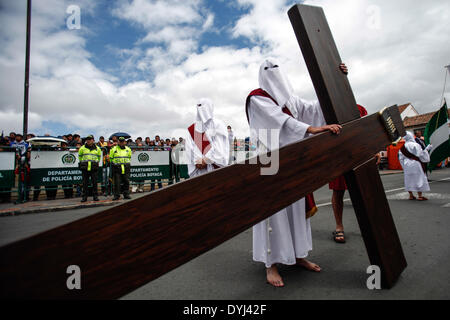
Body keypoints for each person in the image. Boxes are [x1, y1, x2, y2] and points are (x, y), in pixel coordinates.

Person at [246, 59, 345, 287]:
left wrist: (335, 79)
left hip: (293, 161)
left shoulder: (291, 99)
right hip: (269, 162)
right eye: (268, 70)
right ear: (261, 75)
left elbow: (313, 109)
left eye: (277, 69)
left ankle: (298, 255)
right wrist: (309, 129)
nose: (274, 74)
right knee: (273, 213)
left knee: (296, 210)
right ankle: (270, 264)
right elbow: (277, 120)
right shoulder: (257, 97)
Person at [329, 104, 367, 244]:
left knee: (363, 193)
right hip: (339, 156)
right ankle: (339, 226)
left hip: (359, 155)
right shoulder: (328, 110)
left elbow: (365, 130)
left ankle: (367, 225)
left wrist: (374, 150)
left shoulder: (359, 108)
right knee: (338, 192)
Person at [184, 98, 229, 178]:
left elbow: (220, 148)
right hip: (199, 172)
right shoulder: (192, 129)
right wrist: (196, 162)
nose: (201, 109)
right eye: (199, 106)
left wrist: (205, 160)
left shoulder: (218, 124)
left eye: (204, 106)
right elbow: (189, 149)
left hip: (216, 169)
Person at [398, 132, 432, 201]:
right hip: (416, 163)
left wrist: (403, 167)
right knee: (419, 178)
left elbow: (401, 158)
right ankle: (420, 196)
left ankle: (411, 195)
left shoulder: (402, 148)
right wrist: (427, 148)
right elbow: (420, 154)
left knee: (408, 179)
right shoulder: (416, 145)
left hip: (407, 164)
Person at [78, 135, 102, 202]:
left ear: (93, 140)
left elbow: (99, 158)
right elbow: (80, 157)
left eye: (90, 139)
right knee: (85, 183)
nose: (88, 140)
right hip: (85, 168)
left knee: (94, 183)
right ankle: (84, 197)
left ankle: (95, 197)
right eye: (87, 139)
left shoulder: (98, 148)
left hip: (94, 167)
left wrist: (95, 163)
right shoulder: (82, 148)